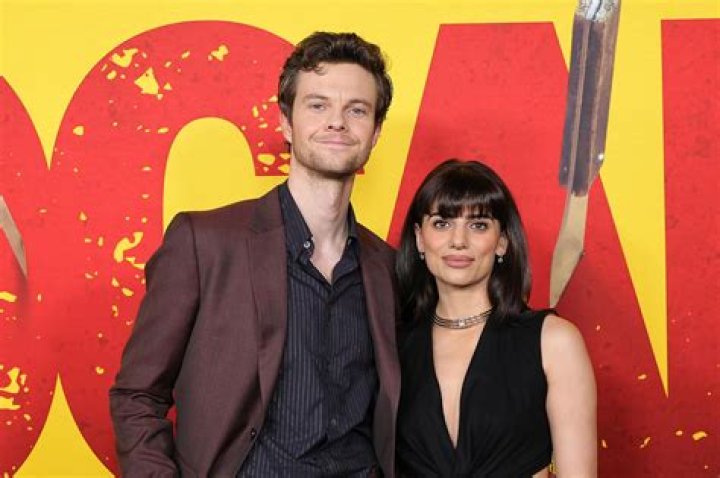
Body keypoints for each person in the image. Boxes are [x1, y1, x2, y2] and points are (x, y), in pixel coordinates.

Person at [110, 32, 400, 477]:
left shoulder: (387, 267)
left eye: (357, 110)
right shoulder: (204, 244)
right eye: (318, 105)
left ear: (376, 132)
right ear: (286, 122)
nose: (337, 122)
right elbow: (137, 396)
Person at [395, 160, 596, 477]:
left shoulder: (553, 342)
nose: (458, 240)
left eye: (478, 225)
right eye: (442, 223)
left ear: (502, 241)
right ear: (420, 238)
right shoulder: (392, 346)